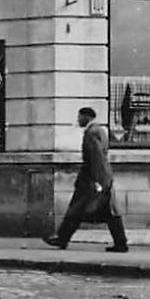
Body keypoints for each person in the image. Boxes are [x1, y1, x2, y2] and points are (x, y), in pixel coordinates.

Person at [44, 106, 129, 253]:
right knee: (107, 212)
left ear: (87, 117)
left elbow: (97, 158)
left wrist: (98, 181)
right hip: (98, 179)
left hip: (92, 180)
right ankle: (120, 243)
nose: (78, 120)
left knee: (79, 210)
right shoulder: (100, 130)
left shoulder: (91, 133)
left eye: (80, 117)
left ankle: (62, 239)